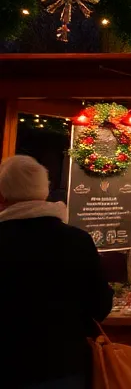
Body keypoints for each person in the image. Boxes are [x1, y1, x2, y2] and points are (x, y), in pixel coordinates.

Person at [0, 155, 113, 389]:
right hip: (63, 364)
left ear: (2, 196)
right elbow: (100, 305)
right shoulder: (77, 240)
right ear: (44, 192)